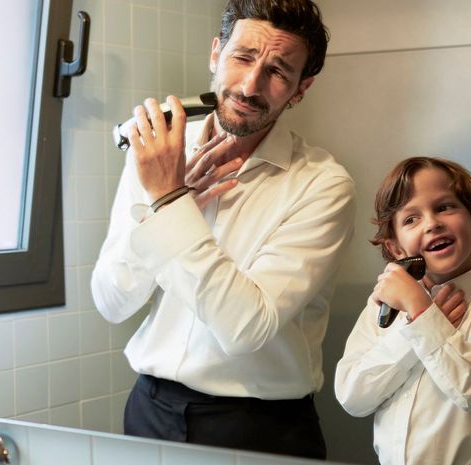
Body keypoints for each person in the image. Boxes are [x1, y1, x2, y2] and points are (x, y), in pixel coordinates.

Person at [90, 0, 355, 459]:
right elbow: (112, 302)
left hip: (261, 429)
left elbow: (246, 329)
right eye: (243, 57)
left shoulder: (322, 185)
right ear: (216, 53)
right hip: (149, 412)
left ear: (300, 88)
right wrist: (164, 206)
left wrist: (170, 204)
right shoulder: (158, 154)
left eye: (278, 71)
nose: (251, 85)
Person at [334, 157, 471, 465]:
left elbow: (470, 388)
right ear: (396, 248)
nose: (432, 223)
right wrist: (413, 329)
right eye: (411, 219)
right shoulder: (383, 307)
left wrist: (421, 310)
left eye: (444, 207)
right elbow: (353, 398)